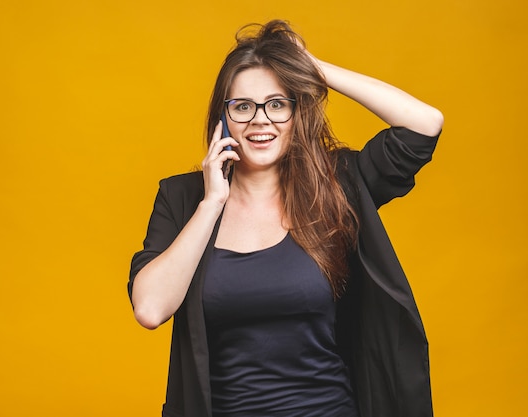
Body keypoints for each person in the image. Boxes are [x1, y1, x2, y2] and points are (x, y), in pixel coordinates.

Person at [128, 20, 443, 417]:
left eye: (277, 104)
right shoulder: (182, 198)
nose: (260, 120)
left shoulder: (335, 183)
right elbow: (150, 309)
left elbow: (423, 125)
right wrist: (212, 203)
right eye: (242, 106)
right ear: (222, 118)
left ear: (297, 113)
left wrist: (308, 65)